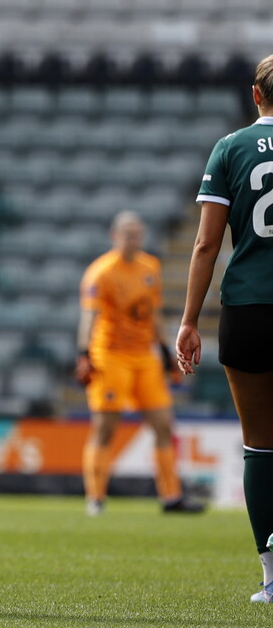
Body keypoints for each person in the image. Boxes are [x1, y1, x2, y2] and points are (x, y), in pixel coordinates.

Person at [176, 53, 273, 603]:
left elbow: (206, 244)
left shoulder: (231, 147)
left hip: (249, 310)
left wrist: (189, 320)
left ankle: (270, 577)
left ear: (255, 95)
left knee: (260, 447)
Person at [76, 211, 204, 516]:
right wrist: (83, 353)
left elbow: (153, 313)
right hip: (110, 356)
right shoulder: (101, 272)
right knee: (105, 428)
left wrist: (164, 350)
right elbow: (89, 316)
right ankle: (96, 498)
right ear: (115, 236)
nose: (134, 239)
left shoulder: (150, 267)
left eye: (138, 234)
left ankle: (171, 497)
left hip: (144, 355)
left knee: (163, 425)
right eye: (128, 234)